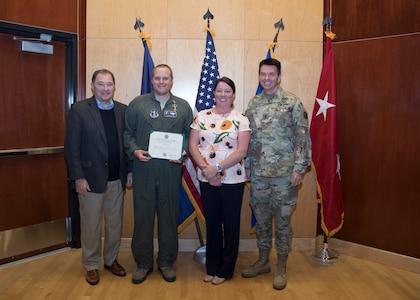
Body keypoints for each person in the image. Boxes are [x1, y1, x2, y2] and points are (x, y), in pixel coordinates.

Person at [242, 58, 311, 290]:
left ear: (279, 76)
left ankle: (281, 265)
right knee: (261, 220)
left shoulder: (292, 102)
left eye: (271, 74)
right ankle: (263, 261)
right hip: (260, 174)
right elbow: (250, 139)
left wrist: (300, 169)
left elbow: (302, 137)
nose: (267, 78)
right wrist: (249, 166)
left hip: (285, 175)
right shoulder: (253, 104)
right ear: (259, 76)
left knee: (282, 222)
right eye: (263, 74)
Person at [124, 64, 193, 284]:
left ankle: (166, 262)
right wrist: (134, 150)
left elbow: (188, 136)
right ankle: (143, 263)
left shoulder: (182, 107)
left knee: (168, 216)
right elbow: (128, 134)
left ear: (172, 80)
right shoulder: (137, 104)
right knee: (143, 217)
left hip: (170, 170)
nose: (161, 82)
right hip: (144, 169)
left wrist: (183, 152)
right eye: (157, 78)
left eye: (165, 78)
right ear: (152, 80)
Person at [64, 69, 132, 285]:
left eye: (109, 84)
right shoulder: (80, 109)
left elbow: (128, 143)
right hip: (90, 179)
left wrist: (129, 171)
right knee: (91, 225)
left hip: (116, 179)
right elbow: (71, 147)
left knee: (114, 224)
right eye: (100, 84)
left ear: (114, 86)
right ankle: (91, 265)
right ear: (92, 86)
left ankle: (111, 260)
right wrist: (78, 178)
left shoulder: (123, 110)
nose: (105, 88)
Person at [189, 77, 251, 285]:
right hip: (207, 178)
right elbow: (193, 146)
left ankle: (225, 270)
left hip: (232, 179)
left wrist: (216, 169)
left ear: (233, 95)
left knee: (231, 225)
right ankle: (212, 266)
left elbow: (242, 151)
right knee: (213, 224)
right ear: (213, 93)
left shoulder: (241, 118)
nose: (223, 94)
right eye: (219, 90)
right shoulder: (201, 116)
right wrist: (208, 172)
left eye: (227, 91)